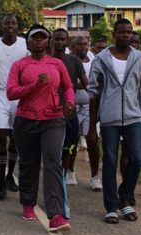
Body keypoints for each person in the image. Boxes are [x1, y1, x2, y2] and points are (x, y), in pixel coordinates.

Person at [7, 24, 74, 232]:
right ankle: (28, 203)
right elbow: (11, 93)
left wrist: (69, 102)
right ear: (28, 41)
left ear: (48, 41)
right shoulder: (20, 65)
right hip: (26, 120)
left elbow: (68, 87)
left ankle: (56, 215)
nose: (38, 41)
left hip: (53, 119)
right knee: (29, 163)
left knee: (53, 162)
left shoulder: (56, 64)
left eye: (42, 37)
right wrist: (34, 85)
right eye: (34, 38)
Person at [87, 19, 141, 224]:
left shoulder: (139, 58)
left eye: (129, 32)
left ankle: (124, 197)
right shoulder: (101, 59)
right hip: (109, 119)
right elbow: (93, 93)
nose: (126, 35)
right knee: (109, 161)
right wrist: (92, 126)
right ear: (114, 34)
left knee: (136, 159)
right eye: (122, 32)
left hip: (133, 117)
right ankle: (111, 207)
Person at [0, 15, 29, 199]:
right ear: (1, 26)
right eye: (6, 23)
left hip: (18, 95)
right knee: (2, 136)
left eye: (13, 23)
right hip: (1, 94)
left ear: (17, 26)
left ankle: (10, 175)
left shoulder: (24, 44)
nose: (10, 26)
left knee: (15, 137)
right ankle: (2, 182)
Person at [51, 28, 88, 186]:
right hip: (50, 114)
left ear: (67, 42)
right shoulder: (46, 60)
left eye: (63, 39)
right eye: (57, 39)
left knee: (69, 147)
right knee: (53, 150)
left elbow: (87, 84)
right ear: (52, 40)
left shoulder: (74, 61)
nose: (60, 42)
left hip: (70, 113)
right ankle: (54, 178)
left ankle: (65, 174)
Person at [70, 36, 102, 191]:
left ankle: (95, 176)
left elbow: (95, 84)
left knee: (92, 140)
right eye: (79, 44)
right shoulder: (68, 60)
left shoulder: (94, 60)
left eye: (85, 44)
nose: (82, 47)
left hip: (90, 106)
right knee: (72, 141)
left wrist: (82, 85)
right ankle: (70, 171)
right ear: (72, 46)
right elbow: (69, 84)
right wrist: (83, 84)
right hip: (73, 106)